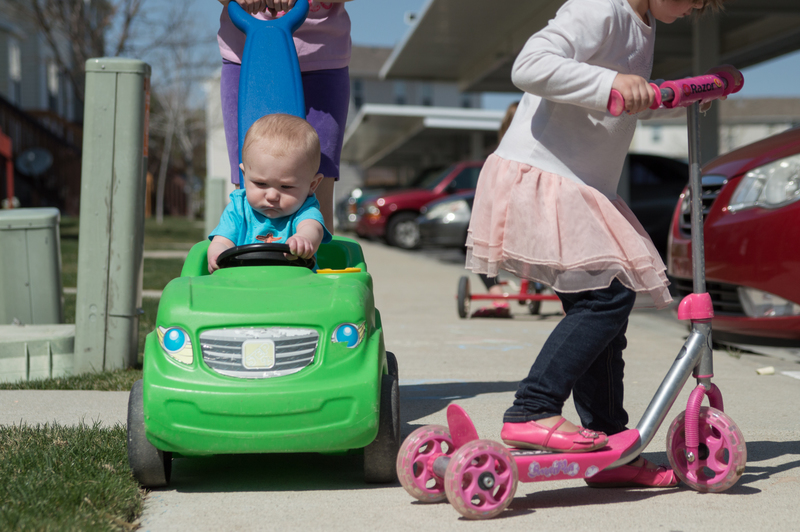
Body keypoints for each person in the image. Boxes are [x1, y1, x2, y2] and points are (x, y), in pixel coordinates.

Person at [465, 0, 726, 488]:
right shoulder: (601, 7)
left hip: (579, 185)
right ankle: (532, 408)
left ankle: (609, 444)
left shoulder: (644, 25)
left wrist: (676, 95)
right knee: (607, 300)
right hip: (545, 174)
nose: (694, 8)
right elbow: (530, 65)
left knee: (605, 309)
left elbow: (619, 107)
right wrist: (611, 83)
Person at [216, 0, 354, 233]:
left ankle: (312, 247)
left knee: (317, 179)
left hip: (322, 59)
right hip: (247, 53)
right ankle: (242, 246)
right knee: (253, 173)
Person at [208, 113, 332, 273]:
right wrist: (216, 254)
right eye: (261, 184)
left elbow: (312, 229)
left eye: (286, 186)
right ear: (244, 176)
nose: (272, 196)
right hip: (243, 283)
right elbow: (222, 241)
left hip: (297, 284)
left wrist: (303, 239)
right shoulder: (238, 209)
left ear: (312, 185)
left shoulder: (305, 210)